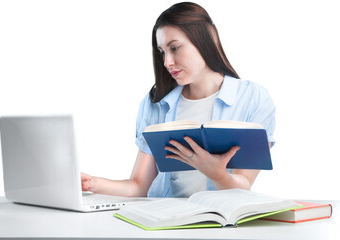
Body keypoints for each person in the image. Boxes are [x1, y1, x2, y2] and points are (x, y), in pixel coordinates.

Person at [81, 2, 275, 198]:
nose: (167, 62)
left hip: (220, 224)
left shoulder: (253, 99)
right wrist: (93, 183)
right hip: (167, 220)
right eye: (162, 52)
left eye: (174, 48)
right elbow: (139, 186)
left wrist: (218, 174)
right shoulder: (156, 104)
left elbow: (243, 186)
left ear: (206, 40)